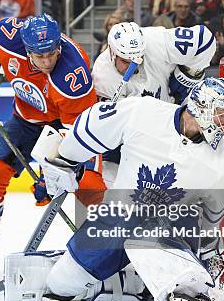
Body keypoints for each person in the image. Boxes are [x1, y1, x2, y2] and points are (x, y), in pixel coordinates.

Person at [16, 77, 224, 301]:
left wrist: (208, 250)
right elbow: (93, 126)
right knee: (60, 287)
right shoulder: (145, 112)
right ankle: (129, 283)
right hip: (118, 217)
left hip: (171, 229)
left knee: (161, 222)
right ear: (201, 107)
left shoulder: (223, 159)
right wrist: (65, 158)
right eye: (221, 114)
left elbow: (212, 215)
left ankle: (188, 291)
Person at [0, 14, 104, 280]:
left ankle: (102, 252)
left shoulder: (73, 76)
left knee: (90, 187)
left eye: (51, 54)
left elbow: (77, 138)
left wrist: (53, 175)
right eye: (39, 56)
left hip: (66, 126)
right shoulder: (6, 36)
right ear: (26, 49)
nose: (47, 62)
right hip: (25, 119)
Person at [91, 21, 216, 186]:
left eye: (138, 59)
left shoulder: (156, 40)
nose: (134, 67)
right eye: (126, 61)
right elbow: (115, 129)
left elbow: (204, 40)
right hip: (139, 135)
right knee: (111, 177)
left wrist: (188, 74)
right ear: (111, 52)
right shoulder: (103, 77)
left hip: (178, 116)